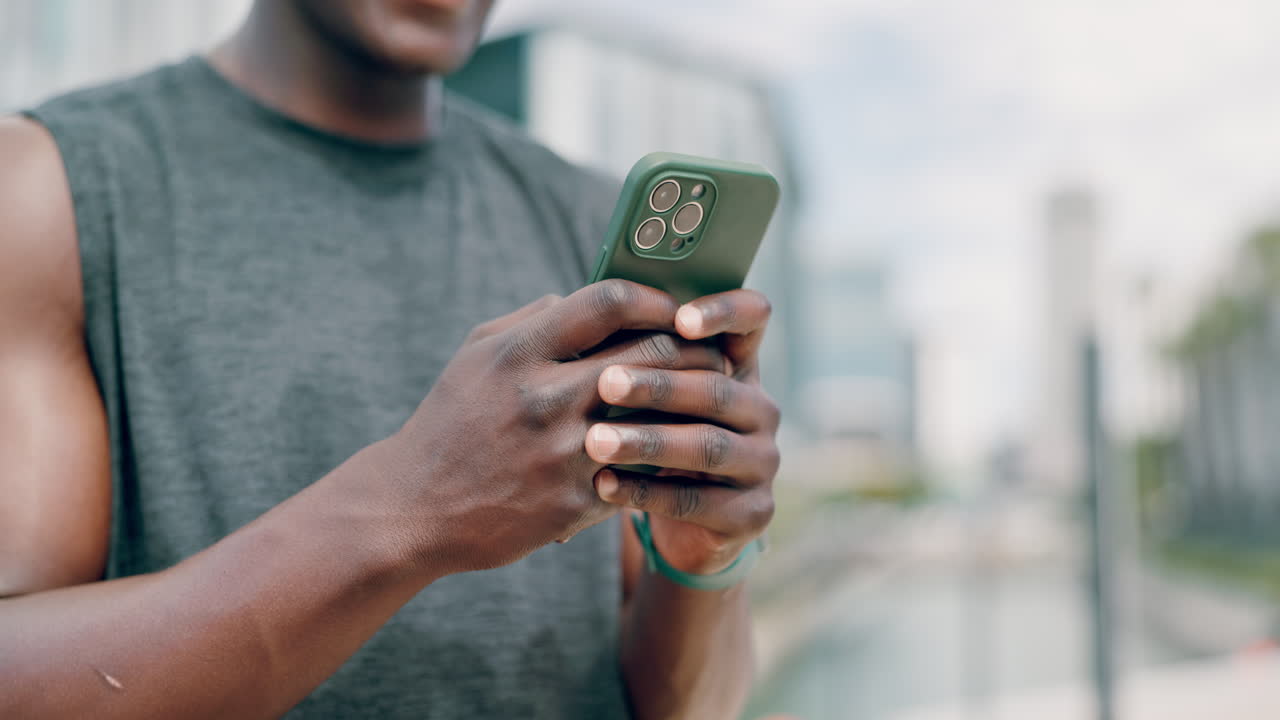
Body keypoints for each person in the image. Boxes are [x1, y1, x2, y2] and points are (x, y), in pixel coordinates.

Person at [0, 0, 780, 717]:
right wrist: (413, 508)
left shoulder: (582, 215)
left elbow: (684, 706)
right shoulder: (52, 191)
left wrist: (702, 560)